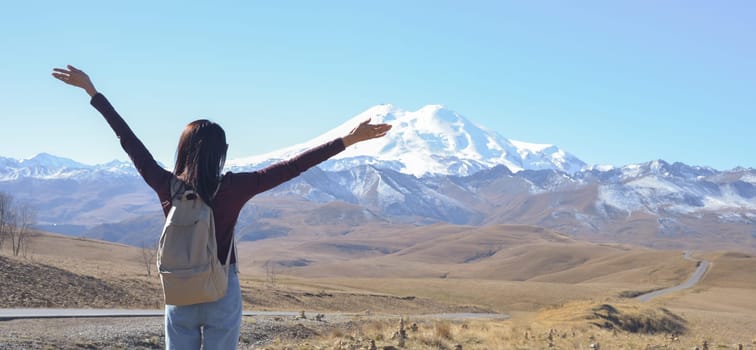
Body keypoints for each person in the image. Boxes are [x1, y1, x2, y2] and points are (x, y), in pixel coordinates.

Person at [52, 65, 391, 349]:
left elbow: (129, 141)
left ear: (182, 150)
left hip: (180, 292)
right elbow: (293, 166)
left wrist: (92, 92)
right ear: (222, 151)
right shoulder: (234, 187)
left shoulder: (166, 185)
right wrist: (348, 139)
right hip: (222, 290)